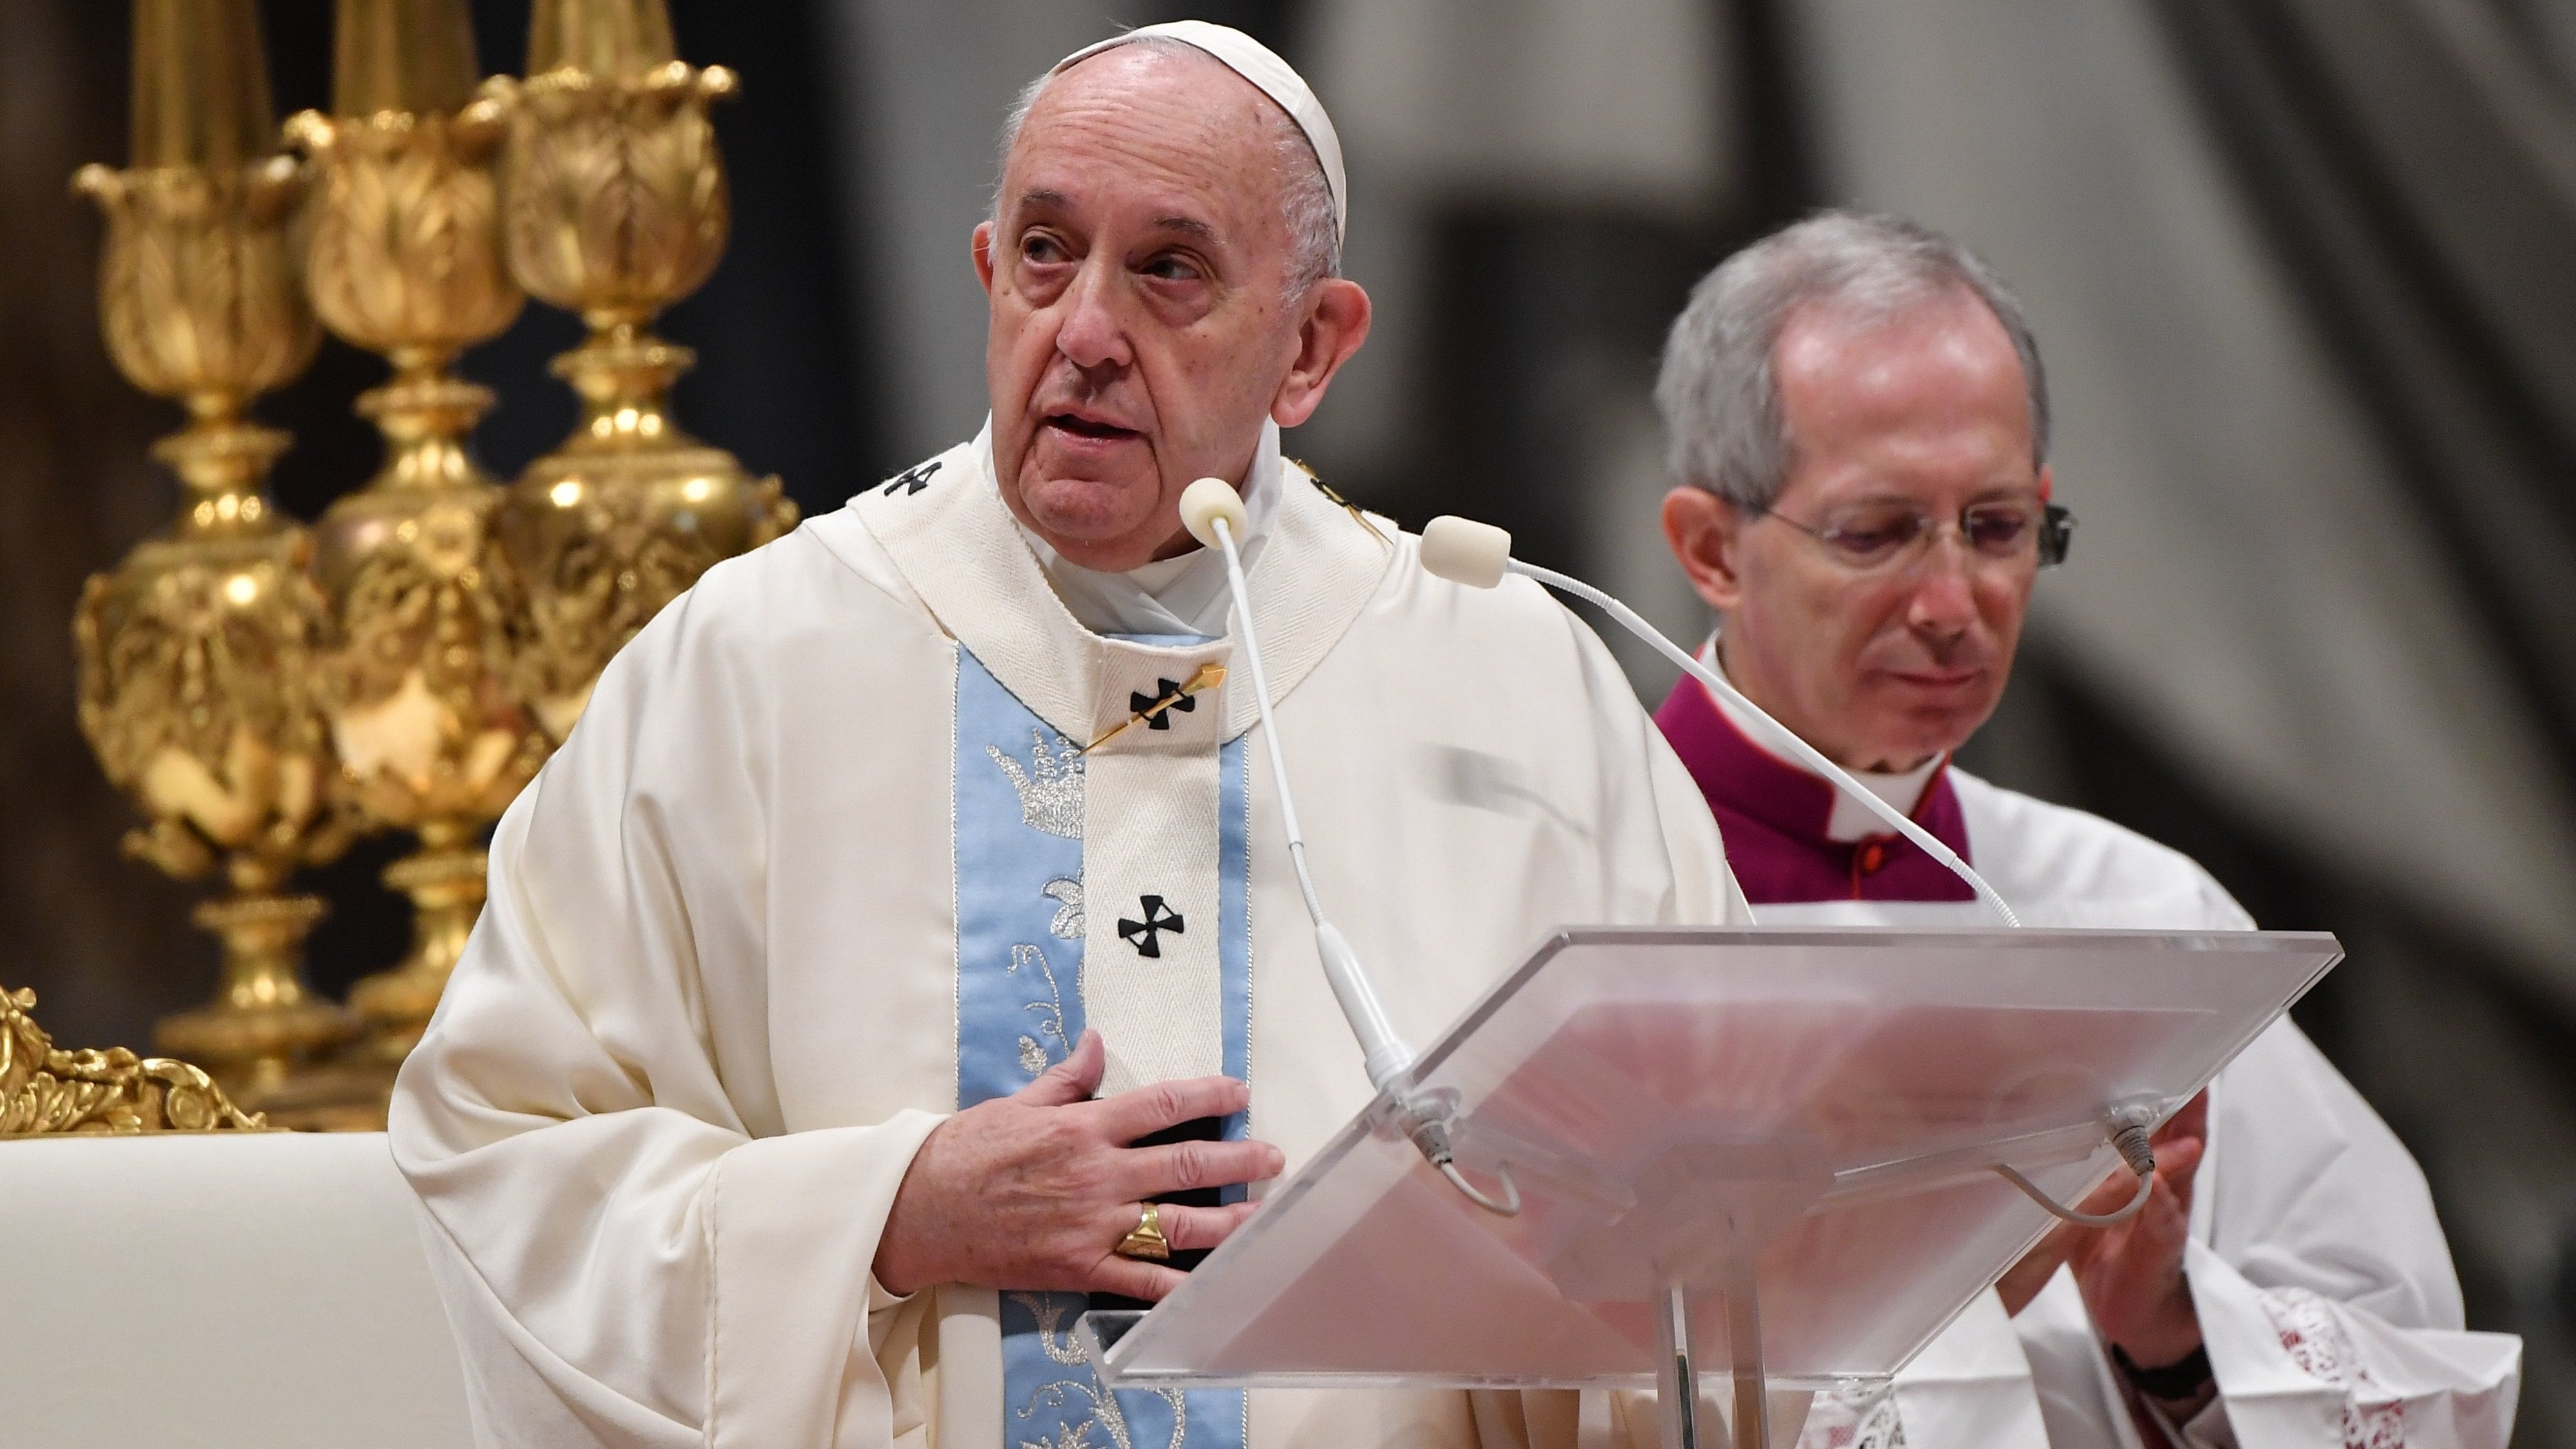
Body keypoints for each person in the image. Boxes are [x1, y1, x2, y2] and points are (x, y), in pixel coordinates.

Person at [392, 22, 1750, 1449]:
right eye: (1047, 253)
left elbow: (1725, 1199)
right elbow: (503, 1161)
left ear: (1310, 348)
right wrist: (892, 1213)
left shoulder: (1505, 683)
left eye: (1167, 269)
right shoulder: (753, 660)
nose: (1086, 332)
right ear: (988, 272)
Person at [1651, 211, 2521, 1449]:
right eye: (1879, 530)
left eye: (1998, 528)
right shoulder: (1563, 890)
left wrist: (2167, 1330)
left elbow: (2419, 1389)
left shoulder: (2137, 914)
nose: (1957, 604)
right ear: (1709, 548)